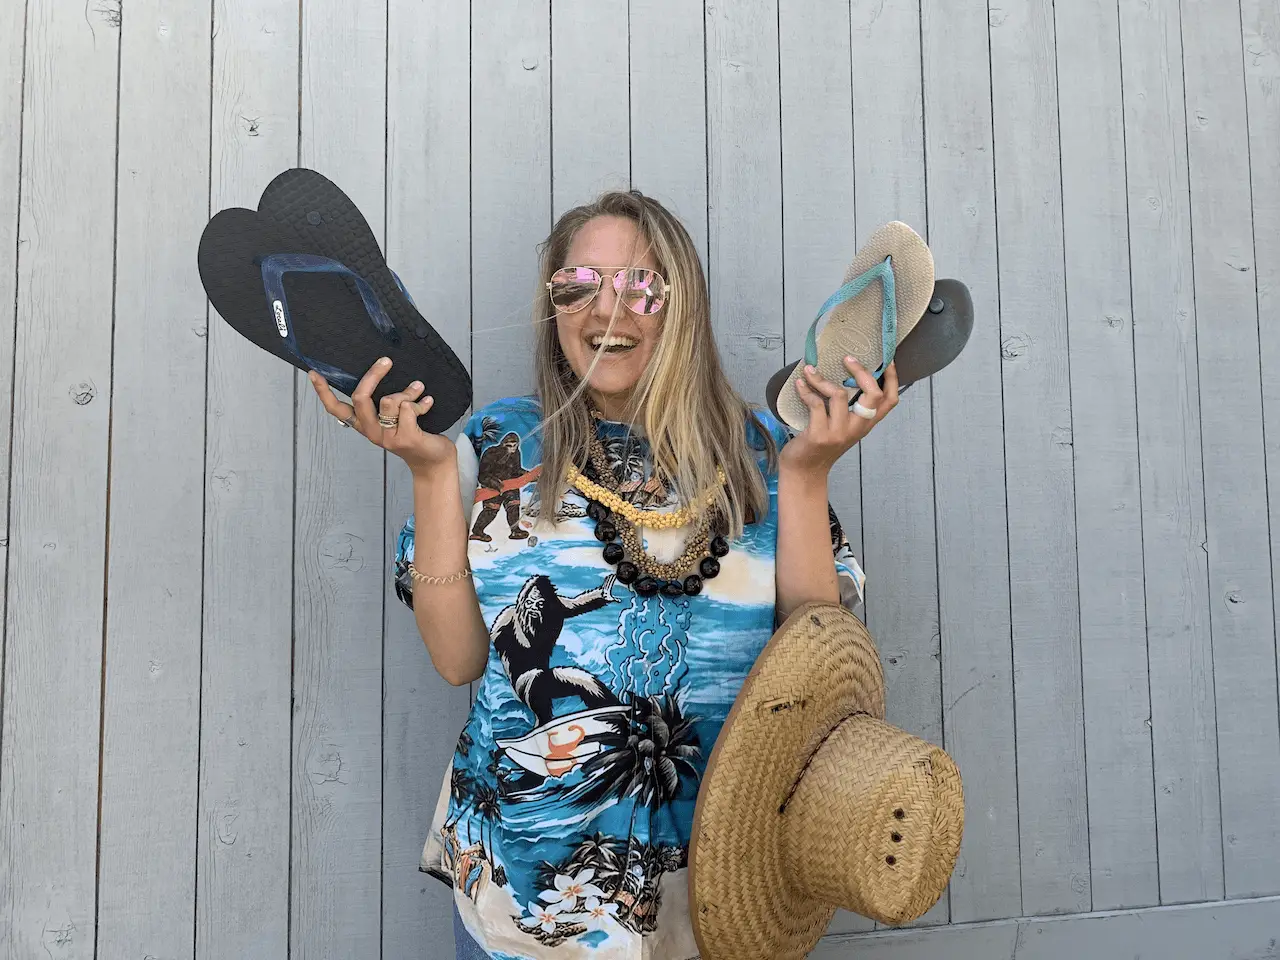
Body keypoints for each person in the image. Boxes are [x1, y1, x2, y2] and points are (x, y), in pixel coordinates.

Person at [308, 190, 898, 959]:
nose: (605, 310)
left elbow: (818, 669)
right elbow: (457, 661)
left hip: (723, 896)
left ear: (683, 303)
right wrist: (428, 471)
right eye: (577, 285)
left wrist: (810, 471)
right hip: (526, 901)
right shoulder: (496, 448)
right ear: (553, 308)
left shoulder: (764, 454)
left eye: (640, 285)